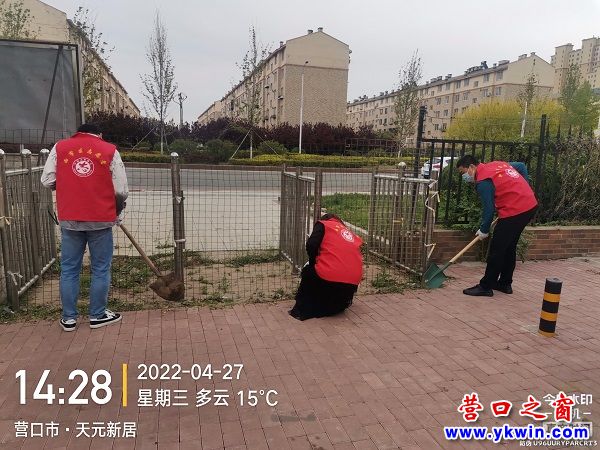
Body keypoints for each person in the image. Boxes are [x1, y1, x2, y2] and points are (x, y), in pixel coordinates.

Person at [41, 123, 129, 331]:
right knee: (100, 268)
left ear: (78, 133)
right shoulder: (110, 150)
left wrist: (68, 182)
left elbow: (47, 180)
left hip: (70, 217)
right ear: (100, 134)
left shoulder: (60, 147)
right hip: (100, 218)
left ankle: (69, 318)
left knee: (69, 268)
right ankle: (97, 315)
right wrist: (116, 211)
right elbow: (121, 189)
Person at [456, 155, 538, 297]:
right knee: (509, 246)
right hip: (529, 205)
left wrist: (484, 230)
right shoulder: (497, 165)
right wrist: (523, 188)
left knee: (497, 249)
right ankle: (505, 284)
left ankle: (486, 286)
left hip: (515, 210)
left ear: (471, 167)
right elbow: (521, 166)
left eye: (463, 172)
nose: (464, 177)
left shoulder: (483, 181)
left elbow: (489, 209)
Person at [289, 214, 363, 321]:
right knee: (330, 277)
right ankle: (335, 305)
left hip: (330, 276)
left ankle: (306, 307)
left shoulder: (323, 225)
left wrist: (313, 261)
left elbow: (311, 245)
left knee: (308, 271)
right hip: (353, 280)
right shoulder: (348, 232)